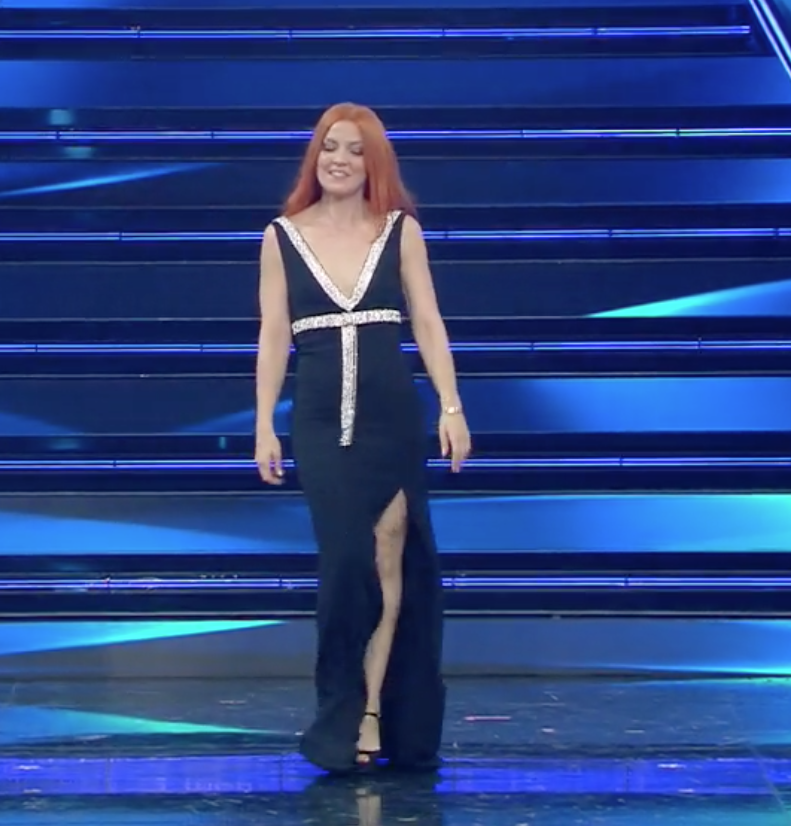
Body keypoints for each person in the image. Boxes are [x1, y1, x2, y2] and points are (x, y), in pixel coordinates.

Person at [253, 102, 472, 773]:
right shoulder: (282, 236)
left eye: (353, 150)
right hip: (322, 424)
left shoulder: (400, 231)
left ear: (373, 161)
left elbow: (428, 320)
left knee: (389, 559)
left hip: (391, 422)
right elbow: (273, 335)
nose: (339, 160)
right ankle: (338, 706)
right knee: (346, 564)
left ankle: (373, 709)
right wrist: (263, 423)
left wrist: (451, 406)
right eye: (329, 147)